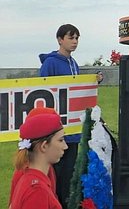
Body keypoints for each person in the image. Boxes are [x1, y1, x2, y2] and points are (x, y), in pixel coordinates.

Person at [38, 24, 103, 207]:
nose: (74, 42)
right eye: (70, 38)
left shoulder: (73, 63)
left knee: (71, 174)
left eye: (77, 38)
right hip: (58, 131)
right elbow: (44, 91)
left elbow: (76, 92)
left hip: (74, 131)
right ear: (60, 39)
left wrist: (93, 81)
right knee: (57, 173)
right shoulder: (51, 63)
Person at [10, 108, 68, 209]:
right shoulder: (37, 190)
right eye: (61, 140)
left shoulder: (32, 179)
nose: (65, 146)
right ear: (44, 146)